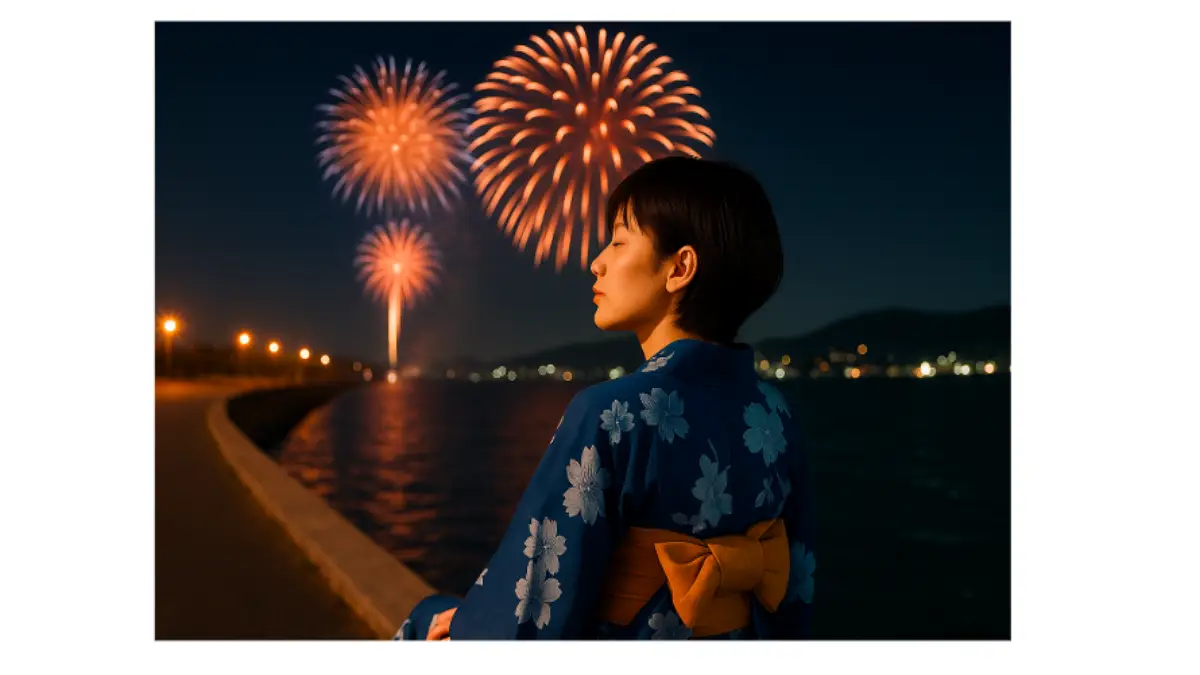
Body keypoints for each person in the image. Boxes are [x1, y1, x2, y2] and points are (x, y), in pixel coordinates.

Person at [395, 156, 816, 640]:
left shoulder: (612, 413)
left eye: (618, 242)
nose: (596, 262)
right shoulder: (778, 416)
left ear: (680, 267)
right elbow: (796, 587)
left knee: (427, 619)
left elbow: (533, 609)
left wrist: (462, 622)